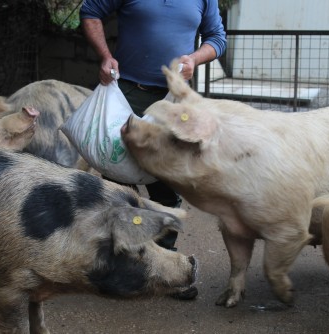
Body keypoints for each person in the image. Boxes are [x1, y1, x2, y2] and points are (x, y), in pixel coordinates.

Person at [79, 0, 227, 253]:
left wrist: (194, 58)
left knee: (166, 182)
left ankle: (166, 259)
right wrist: (105, 56)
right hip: (126, 94)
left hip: (174, 99)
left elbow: (217, 38)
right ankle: (122, 253)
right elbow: (90, 11)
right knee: (117, 179)